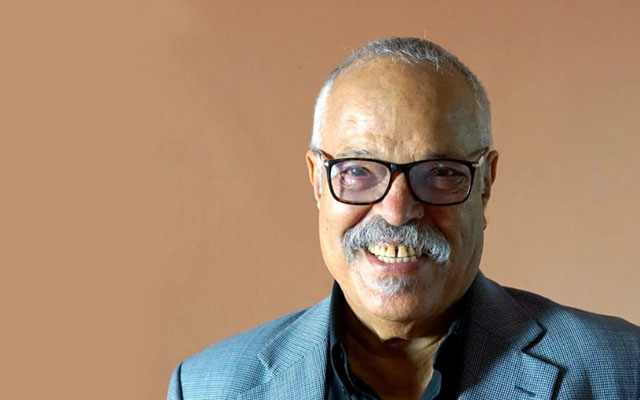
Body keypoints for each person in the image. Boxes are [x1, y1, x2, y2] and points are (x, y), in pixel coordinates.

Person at [167, 37, 640, 400]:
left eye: (440, 172)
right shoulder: (207, 388)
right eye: (357, 171)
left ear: (485, 184)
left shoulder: (626, 371)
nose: (396, 211)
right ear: (317, 181)